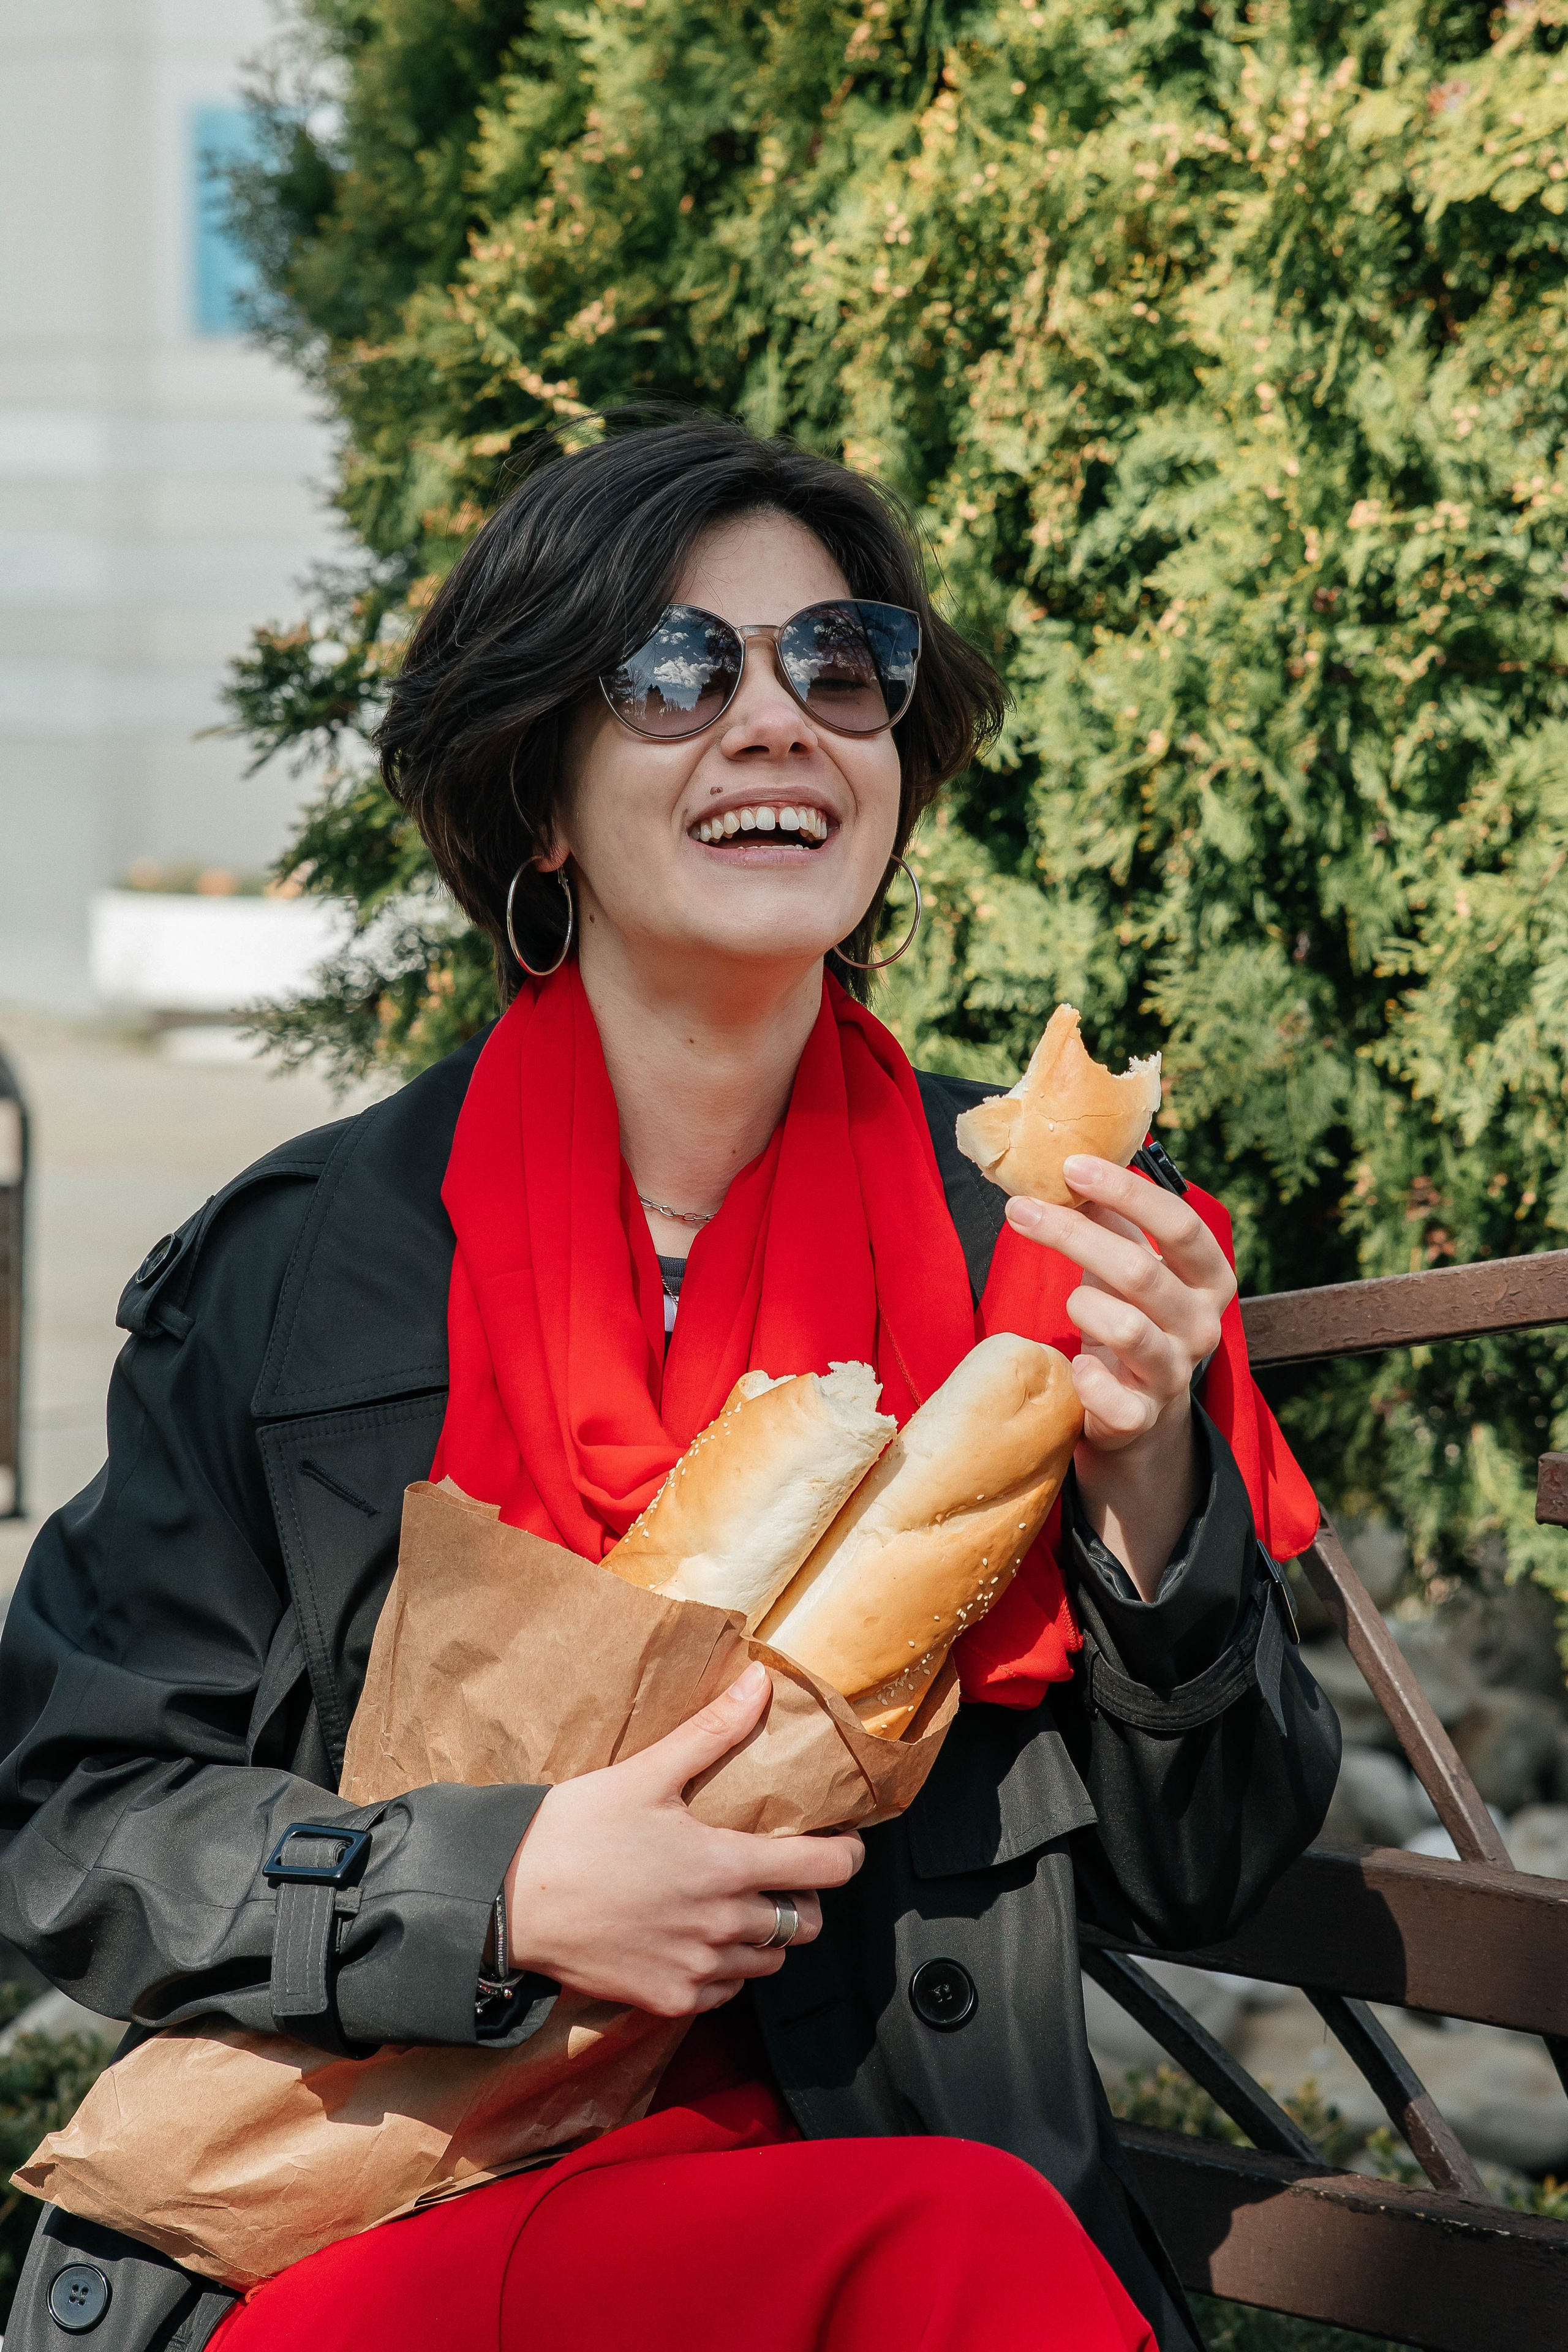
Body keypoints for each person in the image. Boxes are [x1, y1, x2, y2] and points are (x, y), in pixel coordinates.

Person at [0, 416, 1339, 2352]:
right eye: (673, 671)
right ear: (539, 796)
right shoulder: (303, 1271)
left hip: (865, 2176)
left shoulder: (1054, 1254)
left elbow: (1204, 1871)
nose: (781, 719)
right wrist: (502, 1889)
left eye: (840, 664)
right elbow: (71, 1814)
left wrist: (1146, 1497)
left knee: (960, 2252)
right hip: (366, 2201)